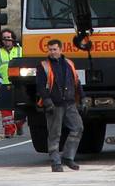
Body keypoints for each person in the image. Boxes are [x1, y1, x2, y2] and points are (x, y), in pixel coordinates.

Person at [35, 39, 83, 172]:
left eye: (55, 49)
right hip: (54, 105)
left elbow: (77, 82)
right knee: (55, 134)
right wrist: (47, 101)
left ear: (61, 49)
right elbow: (40, 86)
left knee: (77, 128)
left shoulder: (69, 64)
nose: (52, 52)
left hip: (69, 103)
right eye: (50, 49)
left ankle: (68, 157)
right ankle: (56, 162)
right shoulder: (43, 65)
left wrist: (82, 98)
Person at [0, 29, 25, 137]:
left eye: (8, 37)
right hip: (3, 85)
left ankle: (19, 124)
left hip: (20, 84)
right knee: (5, 110)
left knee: (21, 108)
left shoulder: (21, 51)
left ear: (13, 38)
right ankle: (9, 131)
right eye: (4, 38)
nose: (6, 40)